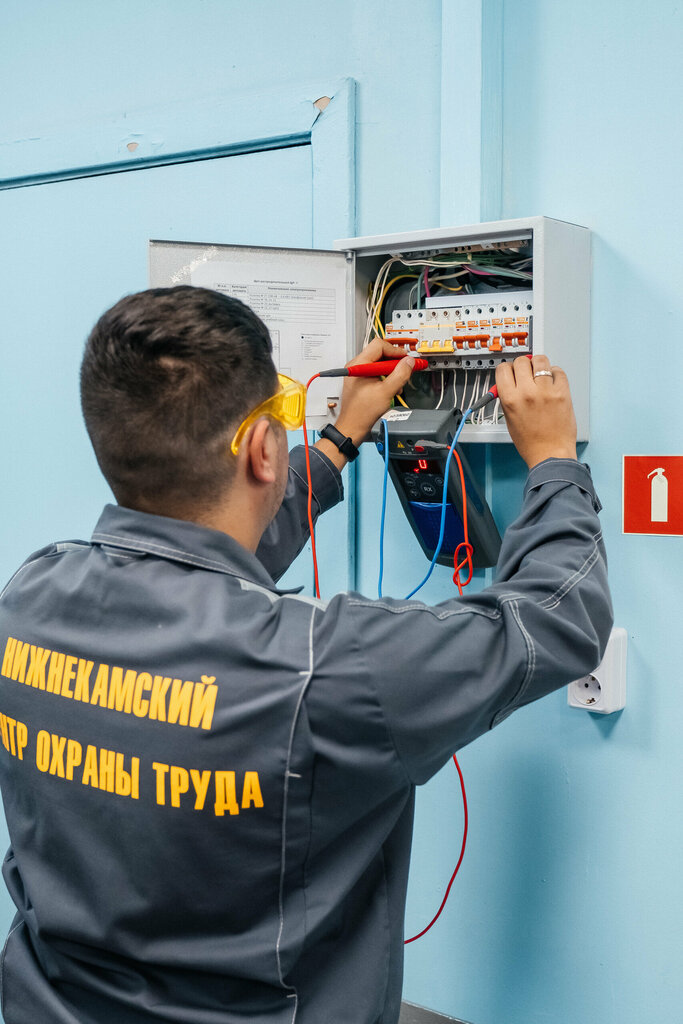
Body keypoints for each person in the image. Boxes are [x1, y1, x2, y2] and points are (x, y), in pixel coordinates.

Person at [0, 286, 612, 1024]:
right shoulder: (326, 664)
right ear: (264, 450)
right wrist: (552, 460)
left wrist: (336, 443)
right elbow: (559, 617)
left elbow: (199, 564)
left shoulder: (29, 596)